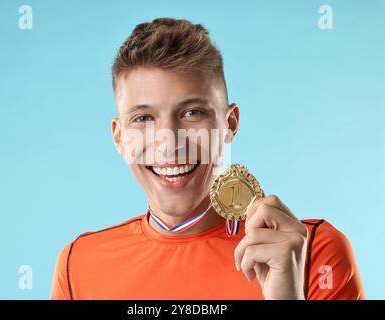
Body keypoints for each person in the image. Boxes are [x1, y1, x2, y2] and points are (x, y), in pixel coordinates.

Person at [51, 18, 364, 300]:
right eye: (144, 118)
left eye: (192, 113)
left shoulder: (312, 252)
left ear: (230, 125)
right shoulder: (78, 265)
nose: (169, 144)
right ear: (119, 137)